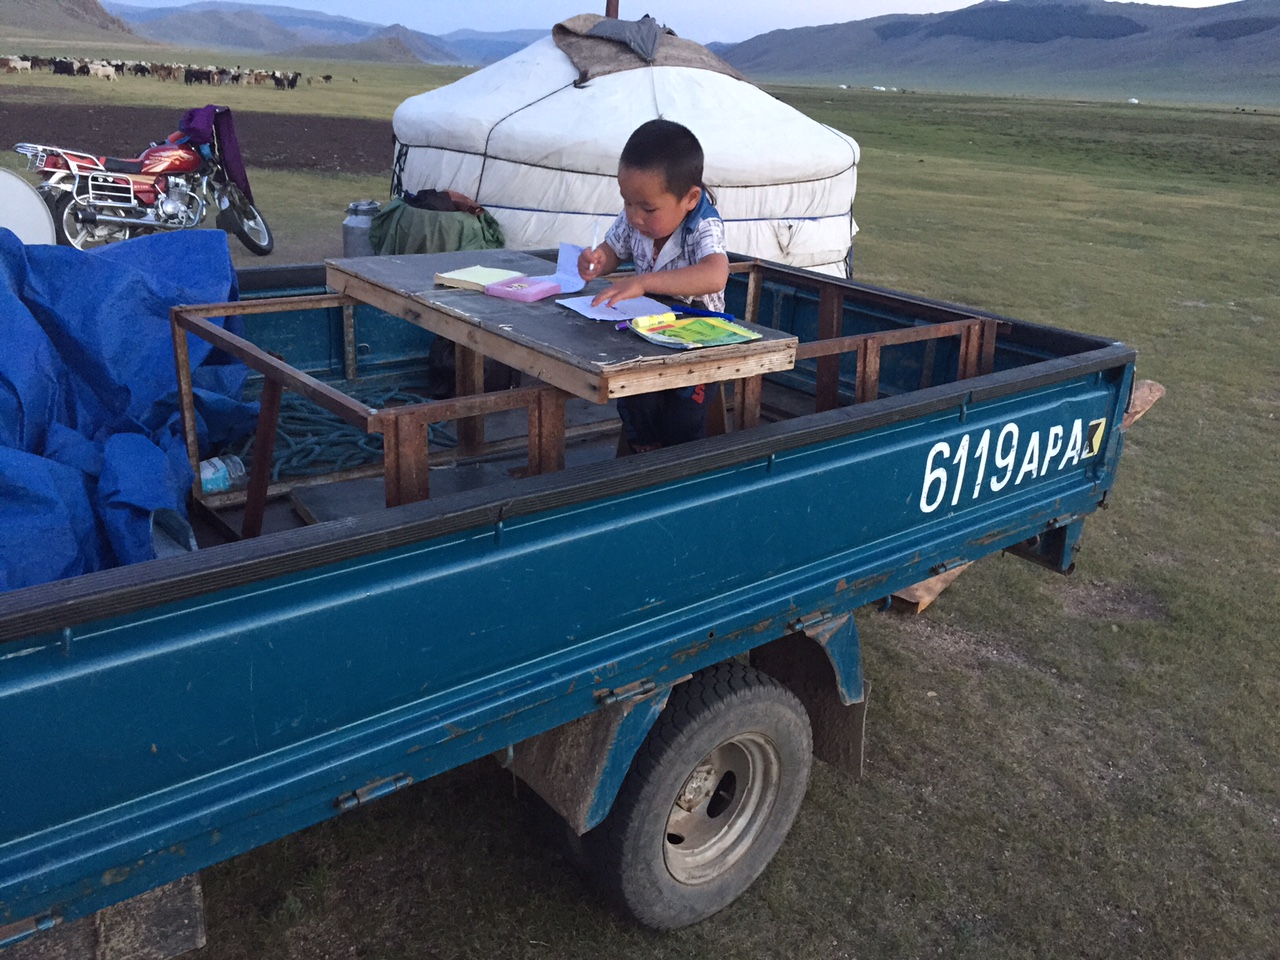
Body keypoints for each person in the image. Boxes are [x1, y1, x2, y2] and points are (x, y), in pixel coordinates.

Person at [578, 118, 730, 453]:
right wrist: (598, 262)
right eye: (627, 202)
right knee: (632, 393)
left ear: (690, 198)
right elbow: (613, 250)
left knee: (683, 415)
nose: (635, 216)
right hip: (647, 327)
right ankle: (643, 451)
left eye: (647, 208)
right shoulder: (635, 216)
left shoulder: (703, 224)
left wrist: (644, 281)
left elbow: (715, 274)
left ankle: (678, 467)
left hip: (699, 336)